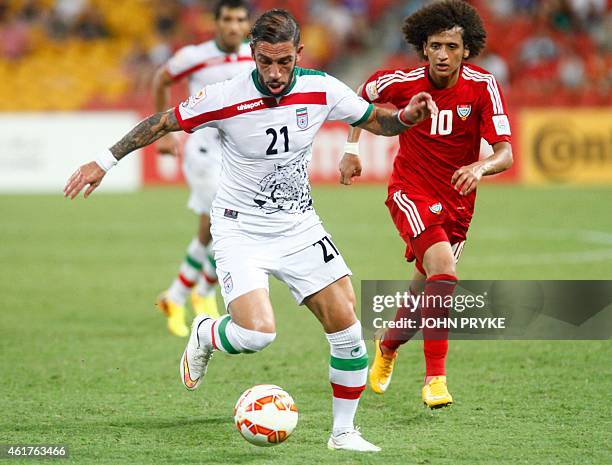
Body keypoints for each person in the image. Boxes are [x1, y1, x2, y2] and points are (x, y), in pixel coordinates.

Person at [64, 9, 437, 452]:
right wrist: (103, 162)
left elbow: (377, 121)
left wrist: (408, 117)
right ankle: (205, 333)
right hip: (241, 230)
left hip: (299, 227)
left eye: (284, 61)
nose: (276, 73)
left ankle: (343, 433)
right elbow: (162, 122)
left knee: (348, 329)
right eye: (265, 62)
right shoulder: (225, 96)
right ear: (252, 55)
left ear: (299, 53)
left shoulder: (322, 88)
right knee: (257, 335)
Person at [339, 0, 513, 408]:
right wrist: (351, 148)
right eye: (434, 46)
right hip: (410, 191)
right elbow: (358, 99)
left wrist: (481, 166)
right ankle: (435, 379)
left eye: (451, 47)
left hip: (458, 203)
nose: (442, 54)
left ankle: (387, 344)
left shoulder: (483, 86)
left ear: (466, 50)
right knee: (444, 272)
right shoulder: (401, 81)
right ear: (423, 47)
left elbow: (505, 153)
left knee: (425, 297)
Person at [153, 0, 254, 338]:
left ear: (247, 24)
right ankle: (196, 292)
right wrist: (164, 133)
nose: (234, 26)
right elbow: (160, 79)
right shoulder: (195, 56)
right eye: (227, 19)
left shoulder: (254, 56)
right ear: (216, 22)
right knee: (227, 222)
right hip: (201, 152)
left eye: (240, 20)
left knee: (209, 230)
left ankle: (182, 294)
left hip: (235, 156)